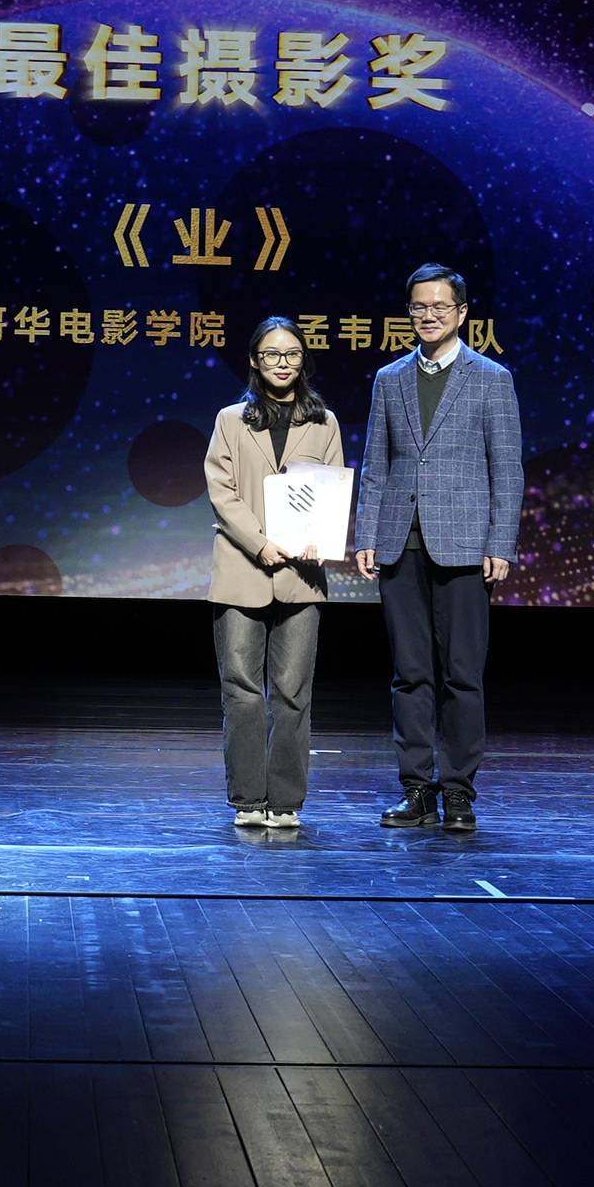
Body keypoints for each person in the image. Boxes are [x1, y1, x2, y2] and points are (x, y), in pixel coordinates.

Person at [350, 263, 521, 832]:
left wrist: (501, 543)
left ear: (462, 312)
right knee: (410, 674)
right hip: (401, 543)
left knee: (462, 676)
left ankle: (459, 793)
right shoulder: (390, 378)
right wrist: (367, 535)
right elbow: (376, 464)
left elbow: (507, 468)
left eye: (439, 306)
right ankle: (417, 790)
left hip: (466, 545)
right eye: (419, 307)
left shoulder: (491, 378)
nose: (428, 315)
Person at [203, 316, 342, 830]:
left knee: (293, 692)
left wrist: (322, 536)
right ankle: (248, 797)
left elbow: (329, 490)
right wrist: (260, 544)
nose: (282, 363)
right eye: (271, 354)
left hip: (302, 576)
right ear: (254, 361)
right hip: (242, 568)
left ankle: (285, 801)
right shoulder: (230, 420)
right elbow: (222, 492)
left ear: (303, 360)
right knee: (241, 689)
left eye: (291, 354)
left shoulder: (324, 422)